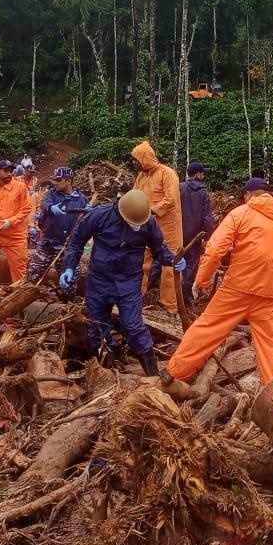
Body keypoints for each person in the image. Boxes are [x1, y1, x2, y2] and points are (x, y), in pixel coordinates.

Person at [162, 178, 273, 397]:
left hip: (236, 288)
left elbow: (215, 249)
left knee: (207, 329)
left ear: (249, 195)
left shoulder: (240, 214)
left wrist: (201, 280)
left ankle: (174, 373)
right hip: (272, 293)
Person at [58, 189, 183, 373]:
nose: (136, 227)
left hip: (129, 282)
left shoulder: (148, 222)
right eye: (133, 223)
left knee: (134, 327)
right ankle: (104, 369)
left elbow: (159, 248)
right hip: (99, 281)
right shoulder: (99, 215)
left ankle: (153, 376)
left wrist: (173, 260)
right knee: (97, 328)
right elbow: (76, 242)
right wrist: (69, 267)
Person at [132, 141, 183, 314]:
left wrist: (149, 211)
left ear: (144, 158)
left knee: (170, 267)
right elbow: (135, 196)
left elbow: (171, 200)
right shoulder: (141, 176)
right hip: (146, 227)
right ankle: (136, 297)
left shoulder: (167, 173)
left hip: (169, 229)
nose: (134, 163)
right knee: (142, 262)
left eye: (136, 159)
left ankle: (171, 307)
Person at [27, 167, 89, 288]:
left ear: (68, 181)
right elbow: (45, 203)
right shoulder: (51, 194)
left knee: (69, 282)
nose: (55, 182)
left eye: (58, 180)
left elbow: (86, 222)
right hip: (47, 244)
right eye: (54, 179)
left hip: (68, 248)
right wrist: (51, 207)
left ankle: (66, 298)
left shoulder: (81, 200)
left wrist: (90, 212)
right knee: (32, 275)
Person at [179, 161, 215, 301]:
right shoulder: (202, 191)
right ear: (198, 174)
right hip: (194, 234)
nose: (203, 176)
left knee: (176, 259)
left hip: (178, 232)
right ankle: (186, 293)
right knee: (192, 262)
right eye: (202, 173)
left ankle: (172, 290)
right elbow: (207, 216)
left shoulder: (179, 187)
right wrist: (208, 234)